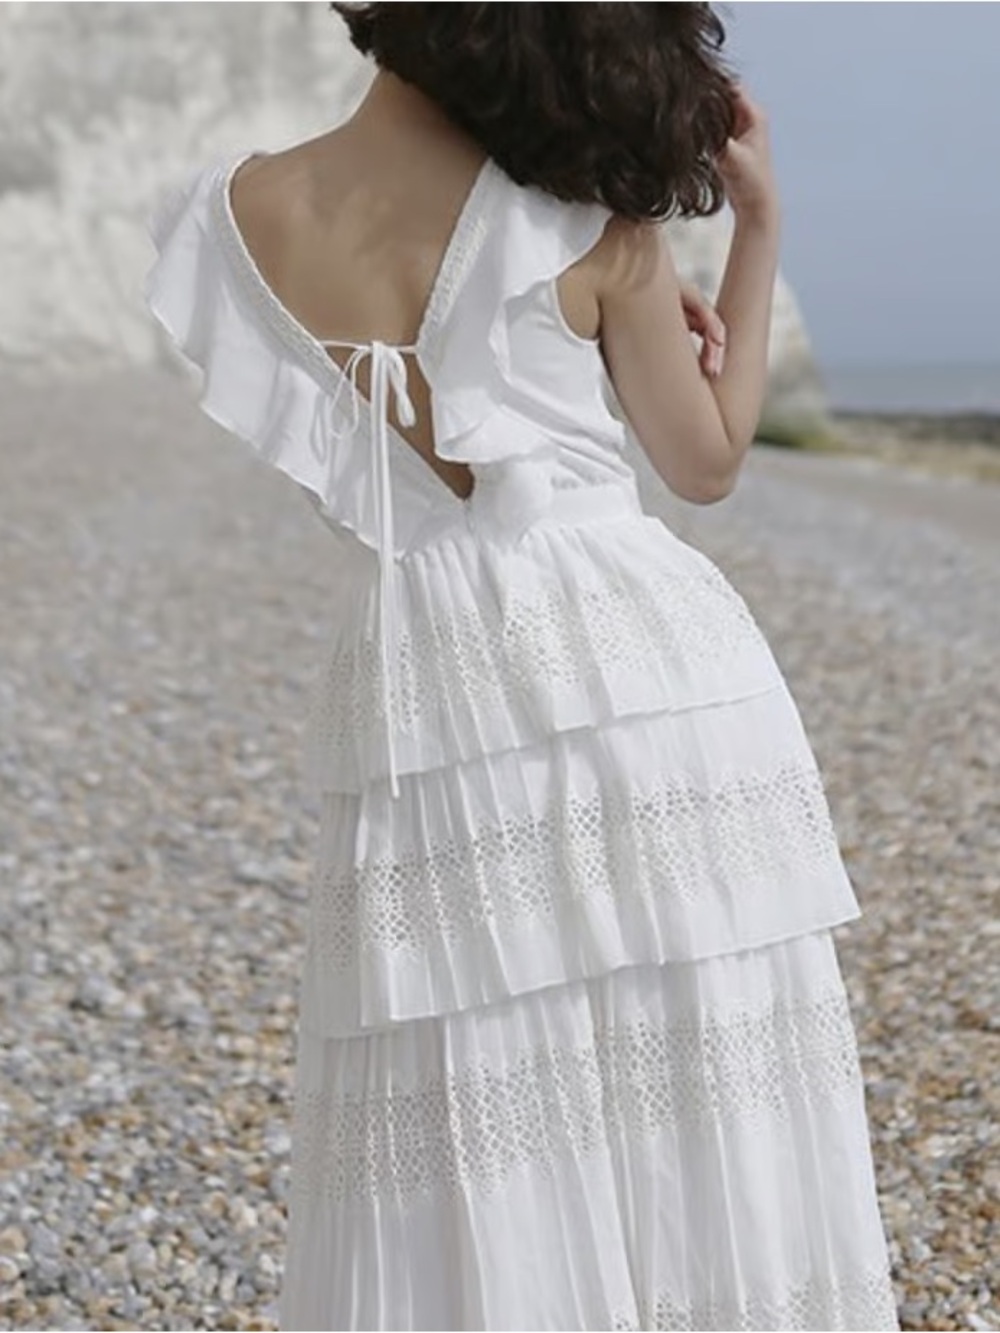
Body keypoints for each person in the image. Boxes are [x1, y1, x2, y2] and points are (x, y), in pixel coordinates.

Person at [143, 4, 900, 1329]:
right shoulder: (586, 216)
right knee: (691, 1080)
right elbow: (708, 461)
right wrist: (758, 230)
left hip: (420, 678)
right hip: (641, 668)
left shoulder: (234, 214)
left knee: (466, 1088)